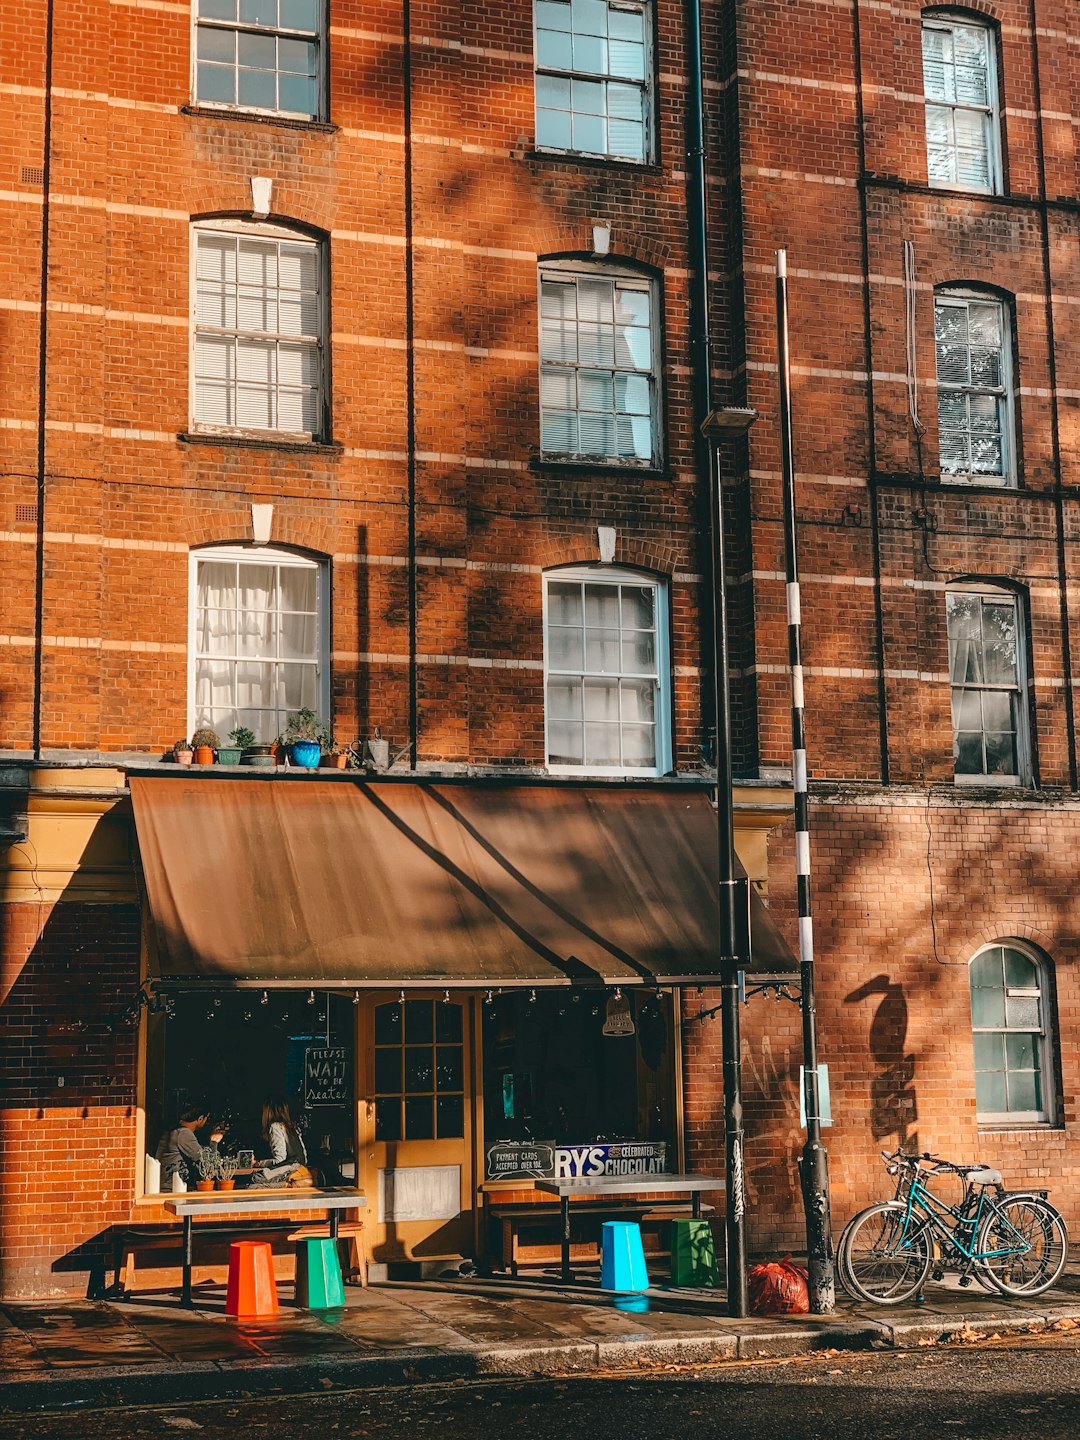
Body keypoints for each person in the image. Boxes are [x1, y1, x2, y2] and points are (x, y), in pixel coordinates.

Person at [253, 1098, 314, 1187]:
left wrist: (257, 1163)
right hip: (300, 1172)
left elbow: (279, 1159)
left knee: (255, 1180)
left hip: (289, 1174)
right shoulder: (293, 1127)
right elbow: (304, 1157)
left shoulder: (275, 1127)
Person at [156, 1102, 210, 1190]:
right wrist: (214, 1141)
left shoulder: (174, 1130)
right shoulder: (183, 1133)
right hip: (172, 1188)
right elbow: (205, 1161)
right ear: (200, 1119)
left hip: (169, 1185)